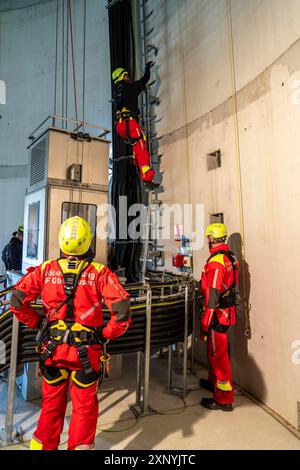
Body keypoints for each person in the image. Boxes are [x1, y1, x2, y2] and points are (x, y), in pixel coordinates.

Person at [10, 216, 131, 450]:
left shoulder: (45, 270)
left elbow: (16, 300)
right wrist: (106, 334)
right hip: (87, 354)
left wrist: (37, 323)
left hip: (52, 352)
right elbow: (123, 310)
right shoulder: (100, 273)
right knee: (84, 411)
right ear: (89, 242)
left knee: (51, 407)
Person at [199, 223, 239, 411]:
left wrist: (206, 320)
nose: (208, 241)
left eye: (209, 238)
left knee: (218, 356)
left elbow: (213, 294)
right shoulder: (230, 257)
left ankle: (224, 398)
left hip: (217, 314)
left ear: (212, 239)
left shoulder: (216, 262)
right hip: (225, 312)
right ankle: (213, 382)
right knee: (214, 351)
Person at [112, 63, 162, 189]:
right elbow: (144, 80)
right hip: (130, 123)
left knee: (136, 148)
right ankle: (147, 178)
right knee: (141, 149)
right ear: (121, 77)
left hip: (120, 126)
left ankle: (138, 166)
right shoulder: (130, 87)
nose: (128, 78)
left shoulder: (117, 93)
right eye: (126, 76)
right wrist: (147, 69)